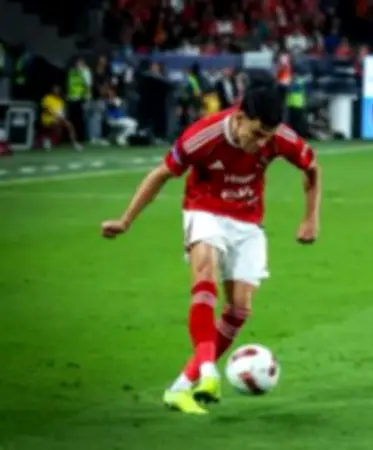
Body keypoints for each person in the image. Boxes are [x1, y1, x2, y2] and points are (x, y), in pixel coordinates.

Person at [99, 84, 322, 414]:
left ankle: (179, 388)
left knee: (239, 309)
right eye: (256, 134)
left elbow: (312, 169)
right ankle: (208, 372)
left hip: (248, 220)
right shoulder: (202, 136)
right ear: (240, 117)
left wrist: (310, 218)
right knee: (205, 274)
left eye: (267, 137)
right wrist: (126, 220)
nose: (261, 144)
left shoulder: (280, 138)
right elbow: (161, 174)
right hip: (205, 210)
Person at [40, 85, 82, 151]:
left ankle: (75, 143)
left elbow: (62, 112)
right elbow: (45, 109)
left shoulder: (60, 101)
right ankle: (48, 141)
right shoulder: (47, 98)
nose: (56, 91)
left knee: (69, 125)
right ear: (52, 91)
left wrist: (62, 118)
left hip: (59, 119)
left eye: (58, 90)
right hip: (48, 119)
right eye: (55, 90)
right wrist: (55, 115)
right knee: (57, 127)